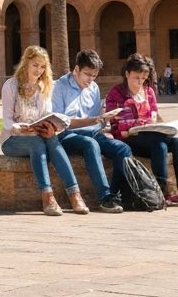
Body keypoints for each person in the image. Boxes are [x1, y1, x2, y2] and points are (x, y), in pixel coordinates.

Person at [0, 45, 88, 217]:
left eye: (42, 66)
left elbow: (46, 115)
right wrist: (18, 128)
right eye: (35, 65)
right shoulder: (10, 85)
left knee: (52, 139)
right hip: (12, 140)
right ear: (26, 63)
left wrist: (52, 126)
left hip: (37, 134)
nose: (39, 70)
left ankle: (75, 194)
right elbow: (6, 121)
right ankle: (47, 196)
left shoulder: (44, 87)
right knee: (37, 143)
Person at [105, 53, 178, 206]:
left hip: (151, 136)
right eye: (137, 78)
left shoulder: (148, 91)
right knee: (159, 144)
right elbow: (117, 124)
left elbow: (154, 115)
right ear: (127, 74)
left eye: (143, 78)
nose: (140, 82)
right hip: (129, 139)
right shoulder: (116, 93)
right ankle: (164, 192)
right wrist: (137, 123)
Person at [52, 49, 130, 213]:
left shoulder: (93, 88)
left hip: (92, 132)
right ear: (76, 70)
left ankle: (114, 194)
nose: (91, 80)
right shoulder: (59, 87)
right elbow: (60, 123)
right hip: (67, 135)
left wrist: (105, 122)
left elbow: (96, 120)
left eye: (94, 76)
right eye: (87, 74)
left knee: (123, 148)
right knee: (90, 144)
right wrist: (94, 121)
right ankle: (104, 197)